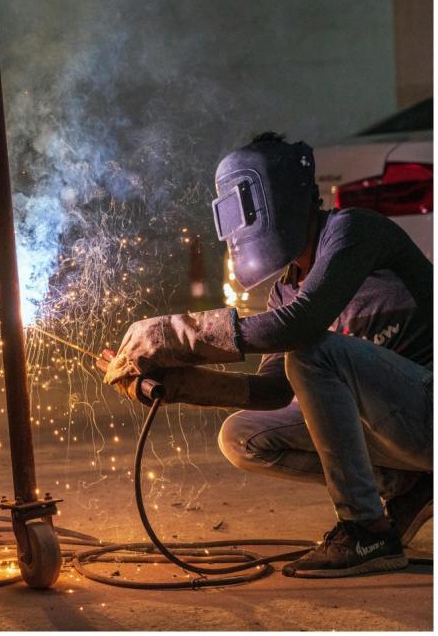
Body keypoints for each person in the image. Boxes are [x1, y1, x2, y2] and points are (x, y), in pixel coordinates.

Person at [99, 132, 433, 578]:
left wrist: (174, 334)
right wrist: (177, 383)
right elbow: (274, 391)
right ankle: (405, 484)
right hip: (398, 435)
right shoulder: (285, 291)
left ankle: (366, 531)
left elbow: (301, 327)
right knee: (241, 436)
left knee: (311, 353)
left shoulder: (354, 231)